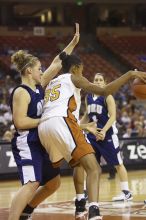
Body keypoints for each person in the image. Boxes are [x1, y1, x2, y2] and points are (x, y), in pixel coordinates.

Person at [38, 52, 146, 220]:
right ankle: (94, 211)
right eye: (81, 70)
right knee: (94, 168)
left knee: (76, 165)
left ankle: (78, 204)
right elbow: (105, 90)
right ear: (75, 69)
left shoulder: (52, 82)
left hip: (44, 127)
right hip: (62, 122)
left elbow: (55, 63)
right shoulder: (74, 78)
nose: (83, 75)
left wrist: (83, 126)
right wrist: (130, 74)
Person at [8, 23, 80, 220]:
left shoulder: (40, 85)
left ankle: (27, 211)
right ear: (29, 70)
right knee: (32, 183)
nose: (42, 71)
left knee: (53, 183)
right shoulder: (21, 92)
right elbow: (20, 122)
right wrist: (44, 119)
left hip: (40, 142)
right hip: (27, 142)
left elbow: (57, 62)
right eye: (39, 68)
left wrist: (72, 44)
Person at [80, 72, 132, 202]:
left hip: (108, 135)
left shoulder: (107, 96)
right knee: (90, 165)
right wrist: (80, 126)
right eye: (95, 79)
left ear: (105, 83)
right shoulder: (88, 97)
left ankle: (126, 192)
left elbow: (113, 116)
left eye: (100, 80)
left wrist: (103, 131)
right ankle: (87, 192)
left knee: (118, 164)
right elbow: (87, 114)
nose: (97, 82)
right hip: (93, 136)